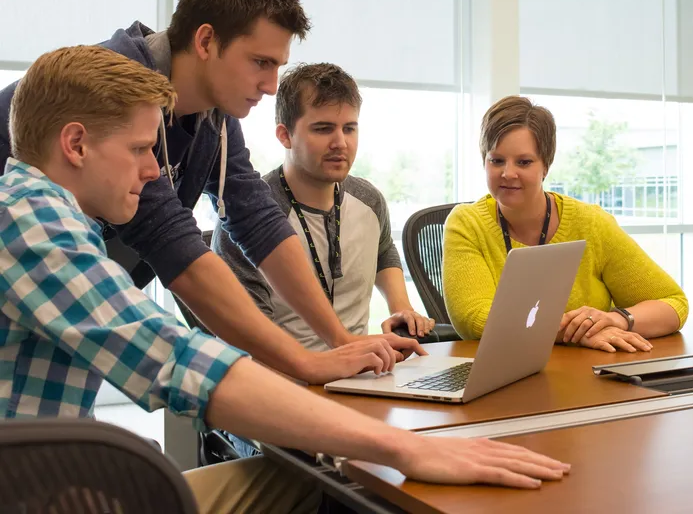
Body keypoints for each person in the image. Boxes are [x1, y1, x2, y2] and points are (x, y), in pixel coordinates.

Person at [0, 46, 571, 513]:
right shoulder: (29, 225)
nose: (155, 172)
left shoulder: (51, 218)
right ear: (75, 144)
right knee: (344, 488)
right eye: (141, 149)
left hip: (59, 481)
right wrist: (403, 448)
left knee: (316, 483)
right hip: (34, 494)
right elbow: (183, 363)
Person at [0, 0, 423, 386]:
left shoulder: (213, 117)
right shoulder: (121, 98)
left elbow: (258, 221)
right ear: (205, 42)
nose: (272, 85)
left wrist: (337, 340)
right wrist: (303, 363)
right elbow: (172, 243)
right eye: (260, 62)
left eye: (278, 65)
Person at [214, 62, 435, 458]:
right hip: (280, 387)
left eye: (349, 128)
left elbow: (383, 250)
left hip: (362, 380)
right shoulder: (251, 216)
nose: (340, 142)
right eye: (323, 129)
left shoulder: (368, 199)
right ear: (284, 134)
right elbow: (251, 344)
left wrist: (401, 306)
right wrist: (322, 366)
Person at [443, 95, 688, 352]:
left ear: (546, 166)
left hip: (588, 373)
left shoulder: (591, 223)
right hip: (501, 372)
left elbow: (673, 303)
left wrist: (614, 320)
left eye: (524, 162)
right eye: (497, 160)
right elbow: (474, 318)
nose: (508, 173)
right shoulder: (466, 224)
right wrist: (574, 333)